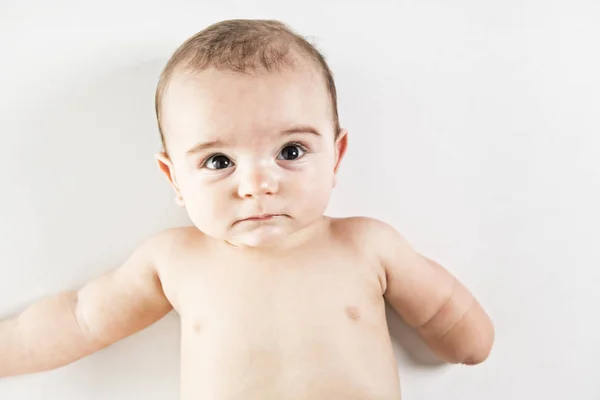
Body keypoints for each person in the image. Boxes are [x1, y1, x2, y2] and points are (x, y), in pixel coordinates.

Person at [0, 19, 494, 399]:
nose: (257, 185)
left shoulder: (365, 244)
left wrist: (469, 343)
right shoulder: (175, 260)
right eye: (218, 161)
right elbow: (81, 319)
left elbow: (449, 314)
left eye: (291, 151)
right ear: (175, 178)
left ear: (336, 156)